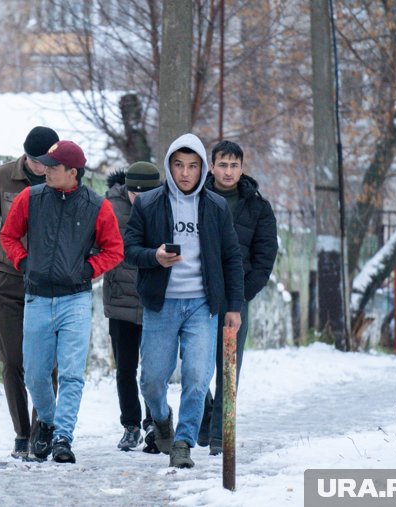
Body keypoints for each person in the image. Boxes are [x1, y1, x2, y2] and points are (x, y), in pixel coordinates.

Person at [123, 133, 244, 469]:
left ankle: (183, 442)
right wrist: (155, 256)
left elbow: (231, 257)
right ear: (169, 167)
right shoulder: (148, 204)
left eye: (193, 166)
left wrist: (232, 306)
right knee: (151, 379)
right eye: (179, 165)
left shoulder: (216, 206)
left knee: (197, 375)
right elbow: (129, 250)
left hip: (202, 305)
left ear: (202, 168)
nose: (186, 173)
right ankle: (162, 420)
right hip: (161, 305)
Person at [0, 140, 124, 463]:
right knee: (35, 374)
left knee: (71, 374)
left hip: (75, 301)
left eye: (53, 167)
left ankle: (62, 438)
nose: (46, 171)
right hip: (37, 298)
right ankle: (50, 423)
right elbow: (8, 235)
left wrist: (88, 269)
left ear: (72, 172)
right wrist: (23, 263)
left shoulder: (97, 206)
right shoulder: (31, 198)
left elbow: (115, 250)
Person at [0, 126, 59, 459]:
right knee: (13, 360)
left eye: (49, 162)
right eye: (38, 161)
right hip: (8, 281)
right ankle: (22, 433)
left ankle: (43, 432)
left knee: (46, 363)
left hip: (48, 285)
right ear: (26, 156)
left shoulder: (62, 179)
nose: (44, 168)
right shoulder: (2, 177)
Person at [198, 140, 278, 456]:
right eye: (223, 164)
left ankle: (220, 433)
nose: (228, 171)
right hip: (196, 294)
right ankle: (205, 414)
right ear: (212, 166)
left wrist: (241, 296)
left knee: (229, 366)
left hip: (236, 298)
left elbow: (265, 257)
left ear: (241, 168)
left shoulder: (259, 208)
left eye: (234, 165)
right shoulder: (196, 200)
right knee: (194, 364)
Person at [102, 161, 161, 452]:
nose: (139, 199)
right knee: (125, 368)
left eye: (145, 193)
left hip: (153, 300)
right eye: (134, 193)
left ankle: (154, 423)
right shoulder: (110, 206)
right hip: (120, 301)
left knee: (153, 370)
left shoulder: (165, 205)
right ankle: (131, 425)